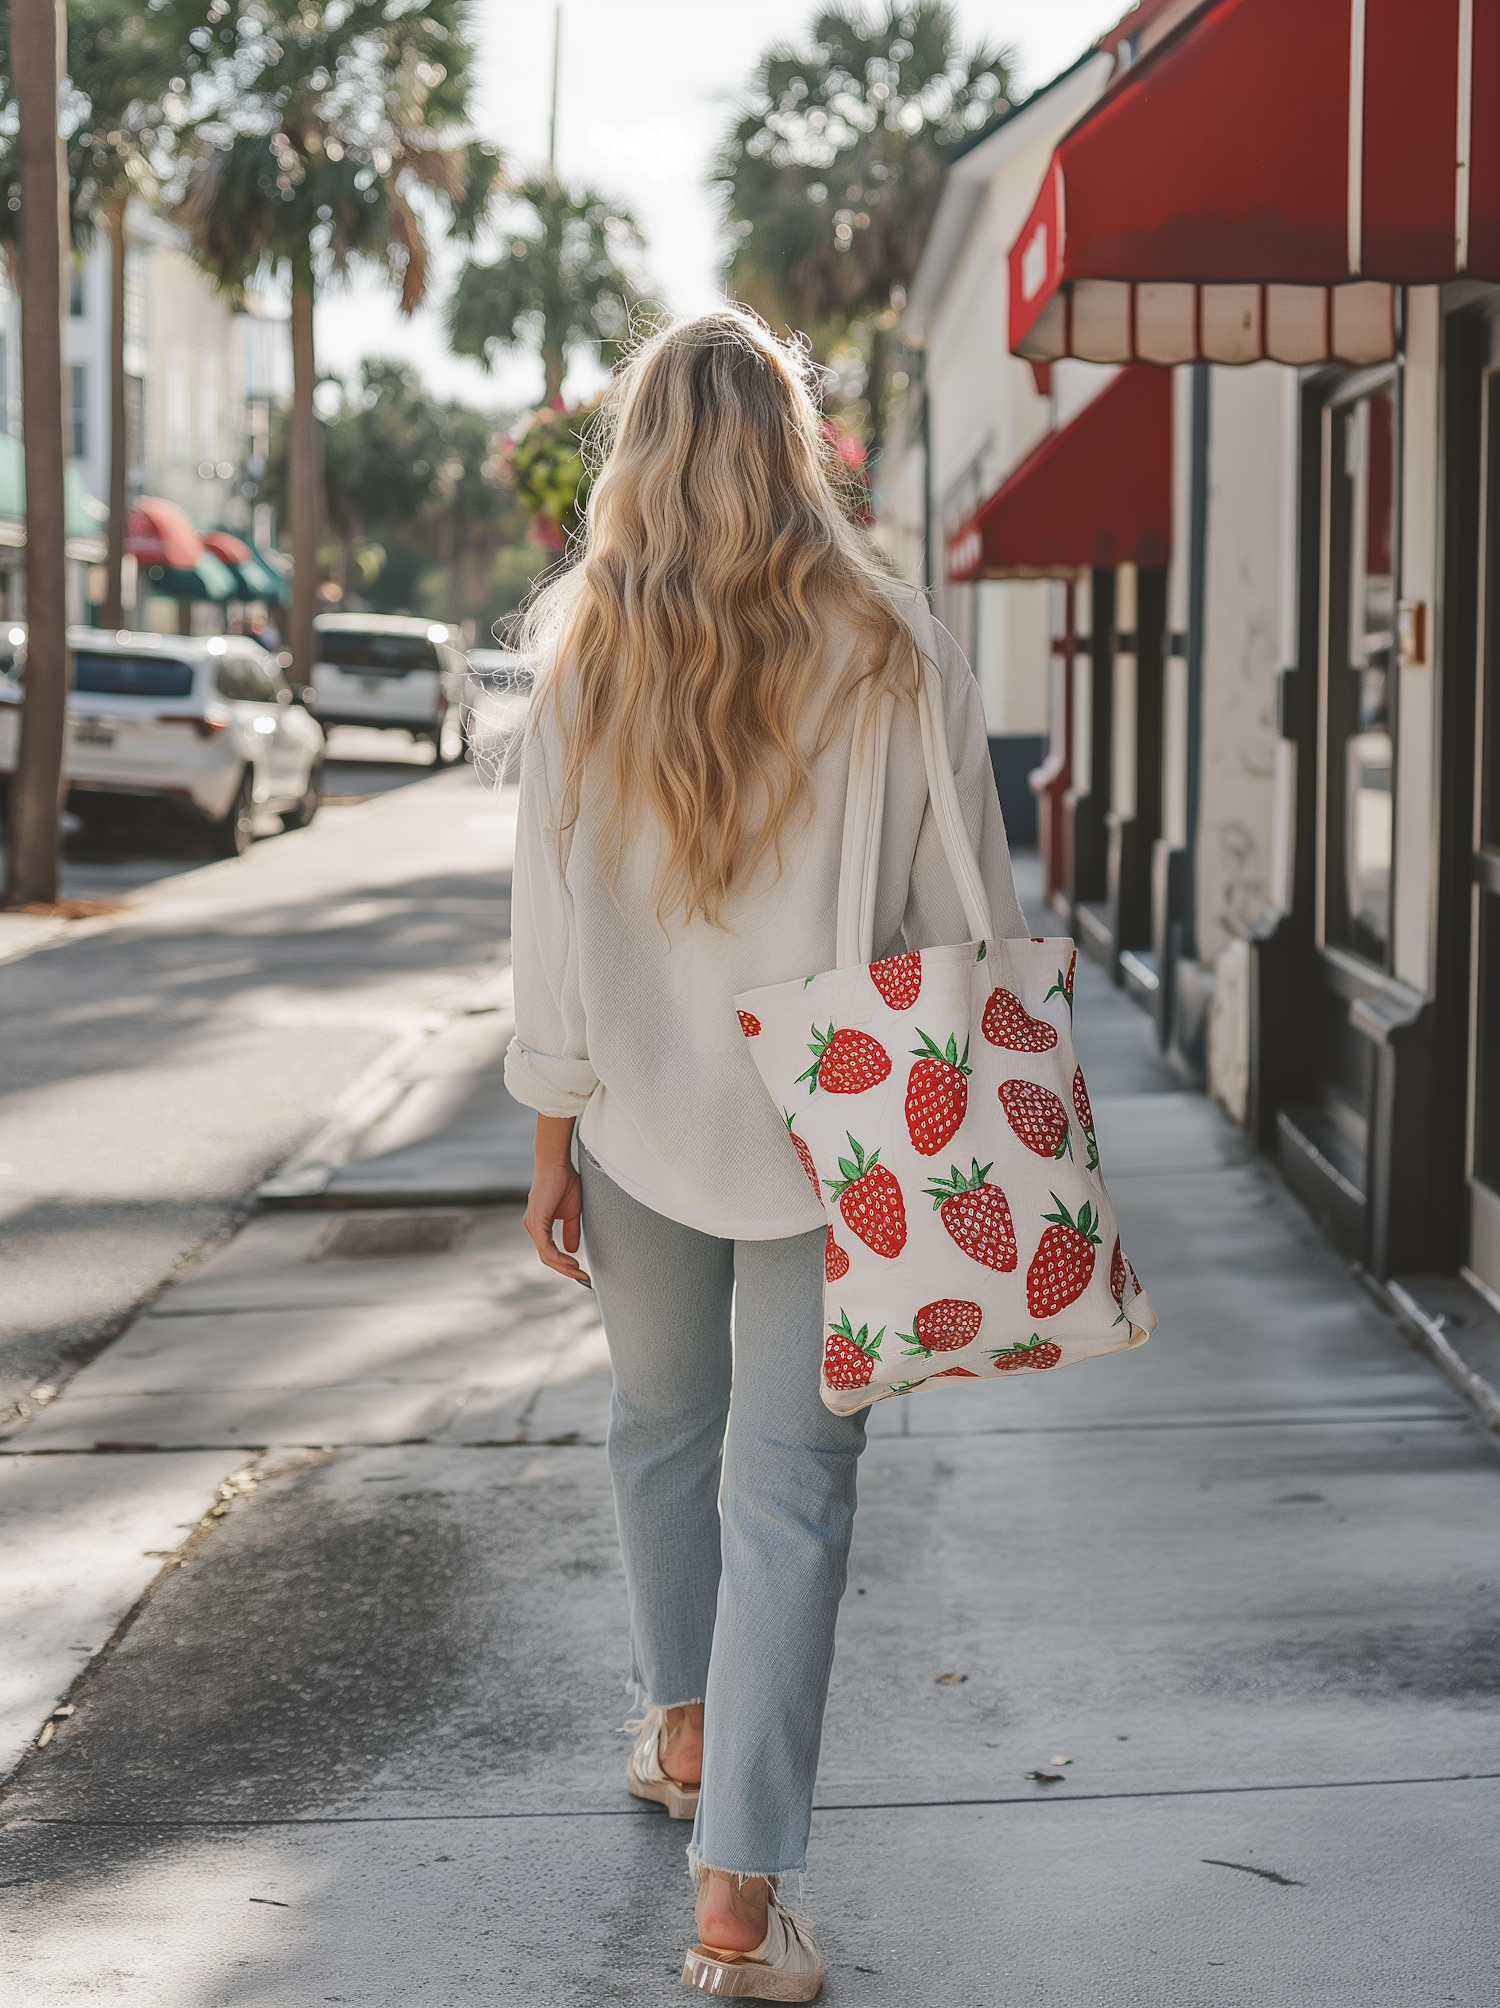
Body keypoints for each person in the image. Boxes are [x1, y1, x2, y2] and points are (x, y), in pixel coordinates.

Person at [505, 309, 1026, 2000]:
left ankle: (682, 1724)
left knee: (660, 1428)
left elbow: (544, 938)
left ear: (639, 456)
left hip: (639, 1122)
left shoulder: (582, 652)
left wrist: (548, 1129)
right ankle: (736, 1899)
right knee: (790, 1491)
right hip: (846, 1130)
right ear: (796, 449)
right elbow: (969, 919)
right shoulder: (895, 646)